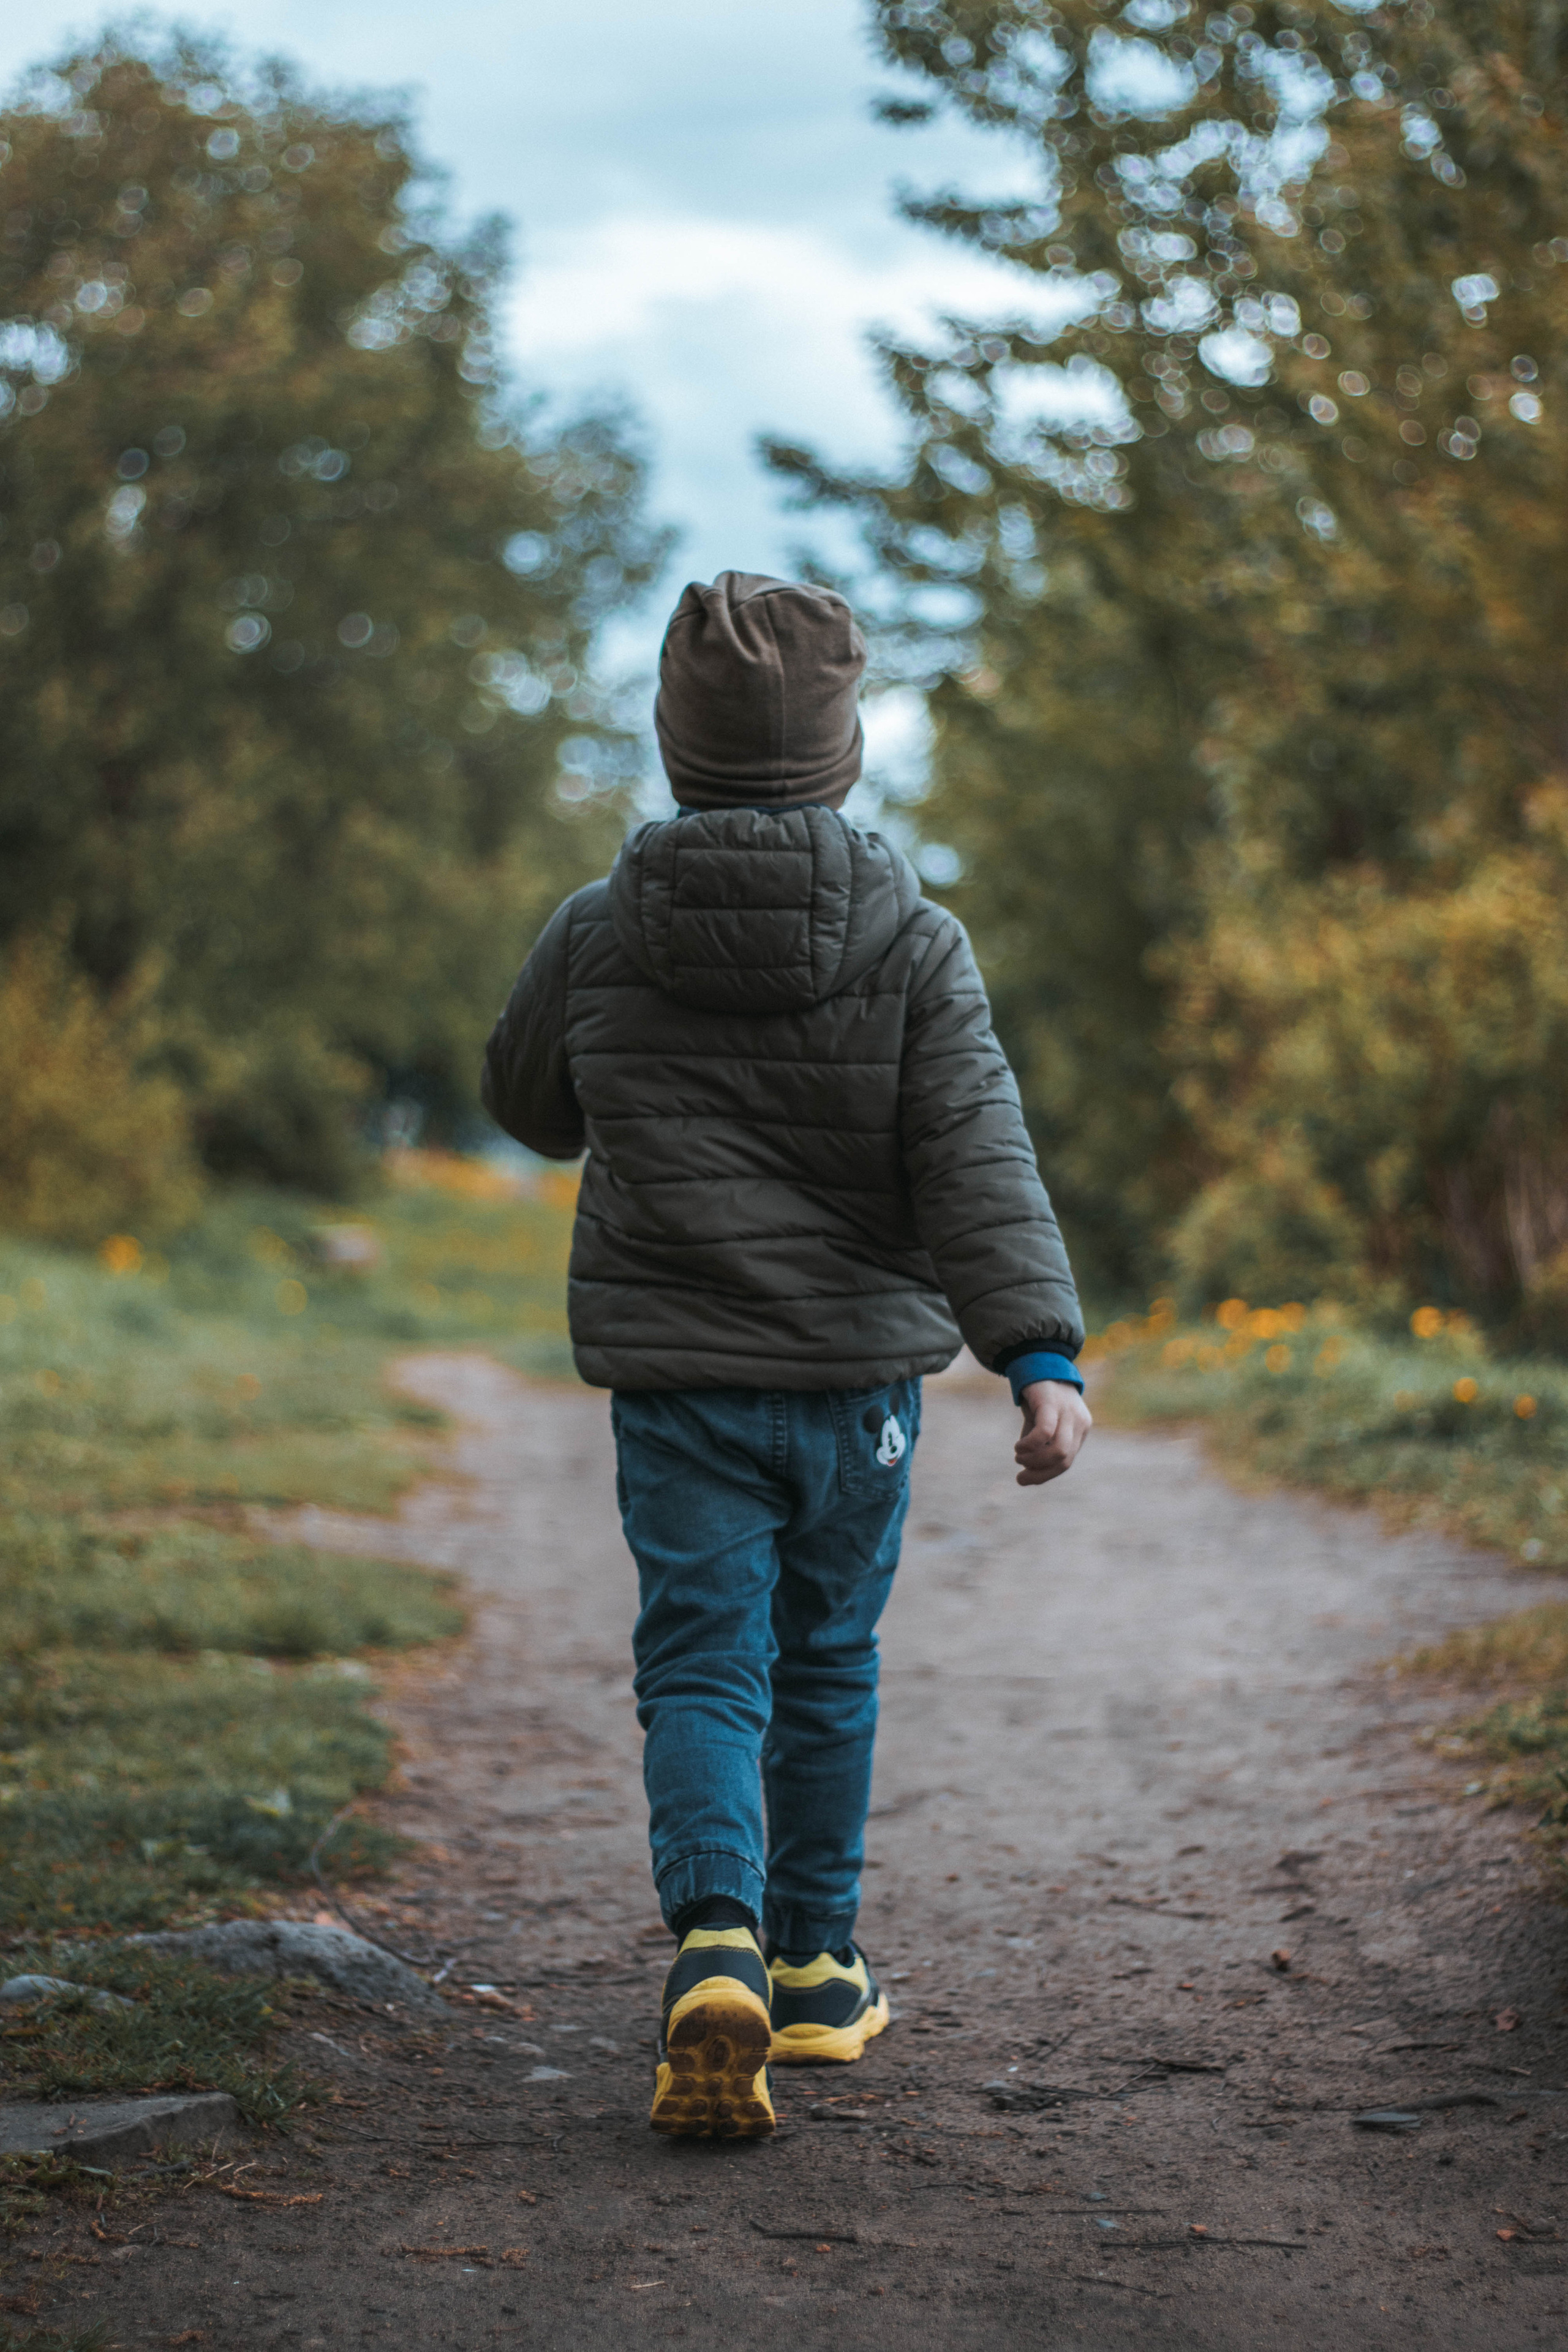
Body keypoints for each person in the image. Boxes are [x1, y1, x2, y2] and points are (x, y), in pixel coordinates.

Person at [481, 571, 1090, 2139]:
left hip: (679, 1389)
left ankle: (713, 1943)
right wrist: (1036, 1352)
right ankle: (817, 1968)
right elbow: (974, 1158)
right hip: (852, 1397)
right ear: (845, 746)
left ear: (672, 741)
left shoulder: (597, 929)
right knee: (825, 1663)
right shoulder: (914, 940)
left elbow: (529, 1107)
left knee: (702, 1663)